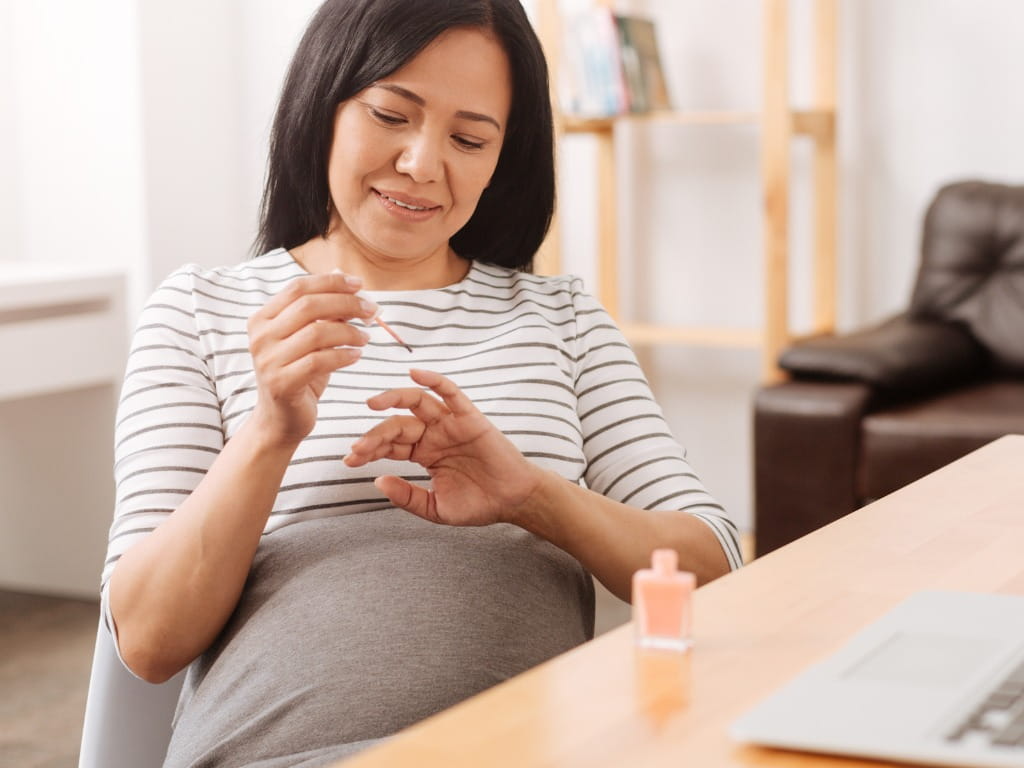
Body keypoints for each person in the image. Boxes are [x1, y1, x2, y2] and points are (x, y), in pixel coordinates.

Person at [102, 0, 743, 765]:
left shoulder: (561, 318)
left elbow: (714, 569)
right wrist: (269, 434)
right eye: (390, 115)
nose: (421, 164)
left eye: (469, 139)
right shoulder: (201, 310)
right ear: (323, 103)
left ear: (504, 159)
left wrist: (531, 497)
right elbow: (147, 641)